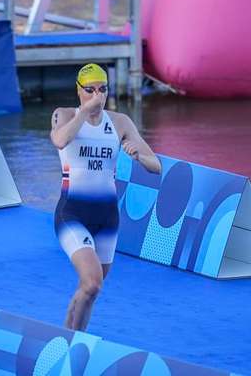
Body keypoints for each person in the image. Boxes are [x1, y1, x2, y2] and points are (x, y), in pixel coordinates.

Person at [49, 63, 161, 331]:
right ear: (79, 91)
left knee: (91, 292)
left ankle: (76, 338)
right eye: (90, 90)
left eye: (102, 89)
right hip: (72, 213)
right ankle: (65, 339)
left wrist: (138, 155)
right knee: (91, 282)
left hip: (107, 219)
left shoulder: (120, 122)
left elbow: (155, 166)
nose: (97, 96)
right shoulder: (64, 115)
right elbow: (60, 141)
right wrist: (84, 113)